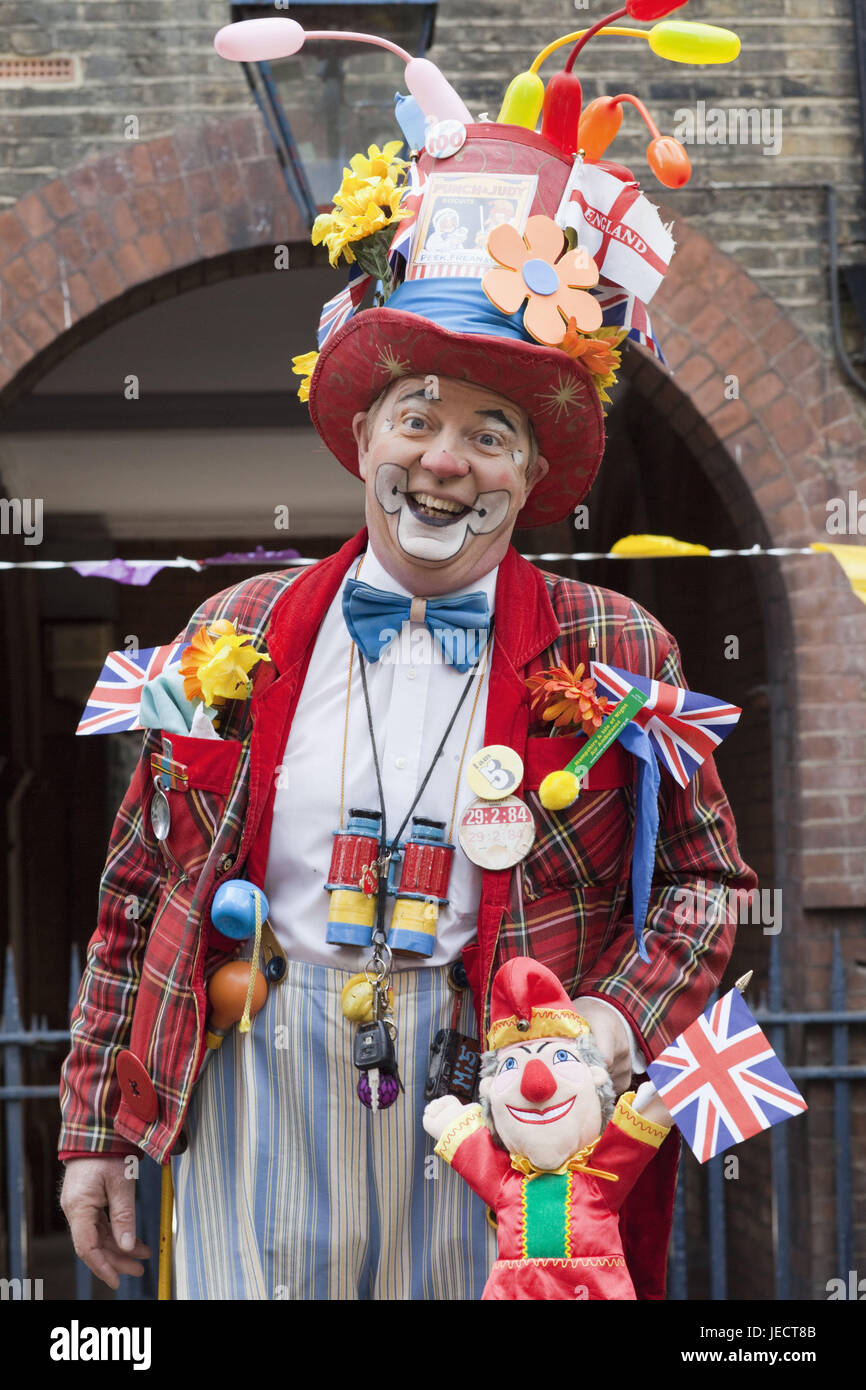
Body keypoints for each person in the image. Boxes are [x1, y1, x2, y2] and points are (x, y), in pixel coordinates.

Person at [58, 111, 756, 1301]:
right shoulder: (235, 629)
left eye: (490, 435)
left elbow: (712, 885)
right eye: (417, 417)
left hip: (496, 1091)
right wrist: (90, 1124)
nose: (445, 461)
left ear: (532, 475)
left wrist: (607, 1020)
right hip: (254, 1066)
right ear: (361, 437)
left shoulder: (618, 644)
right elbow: (136, 884)